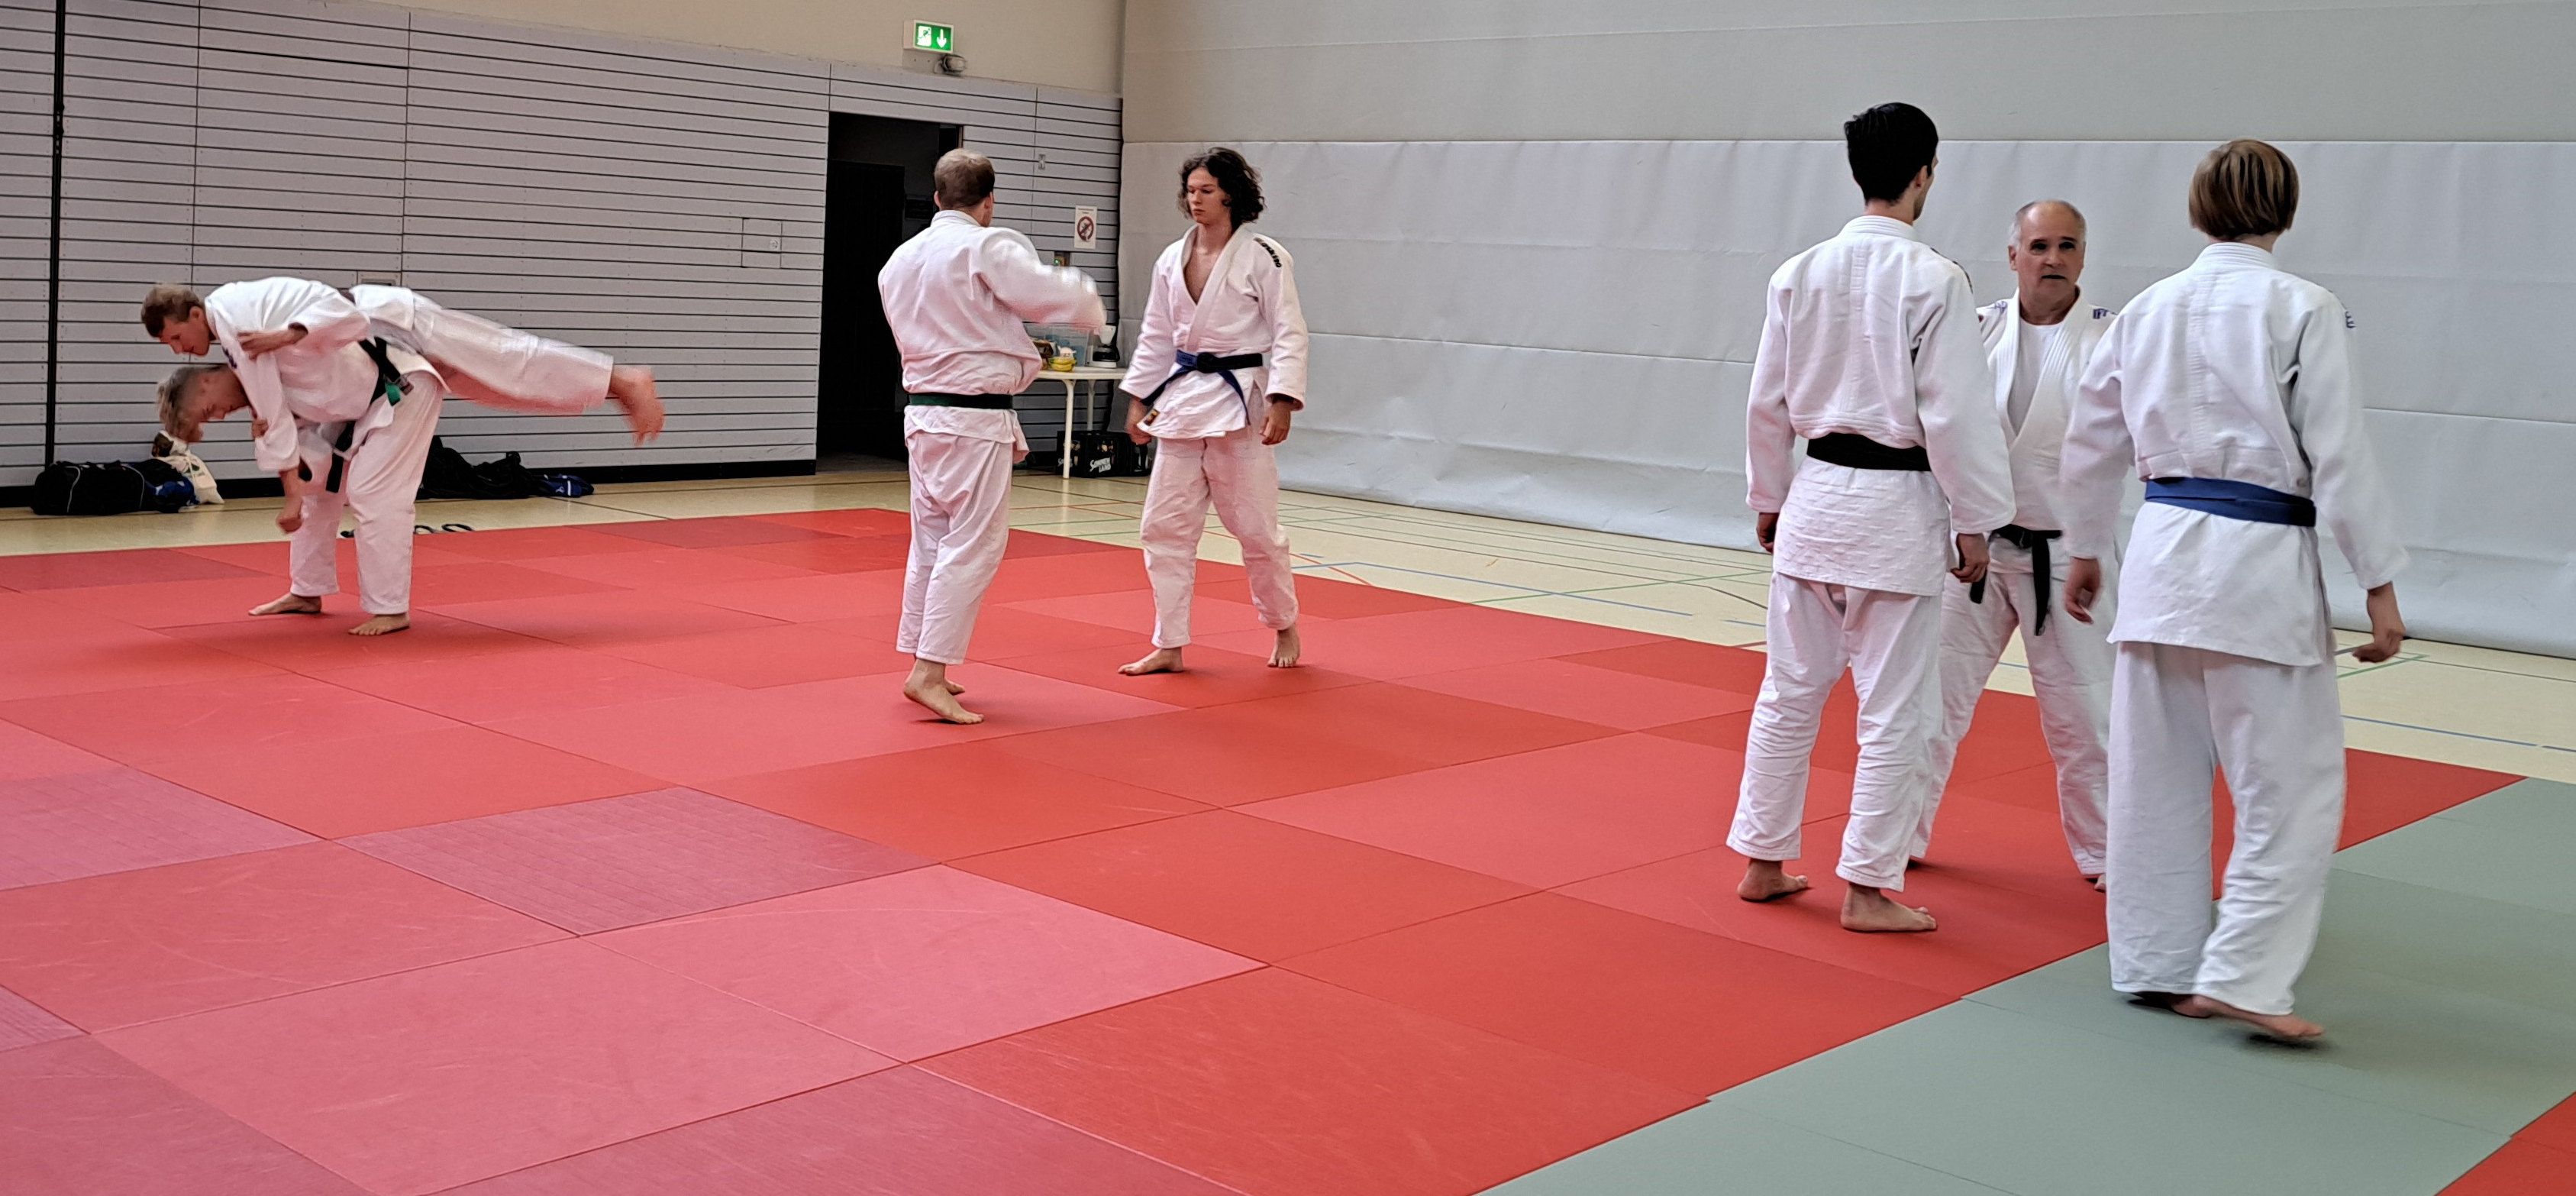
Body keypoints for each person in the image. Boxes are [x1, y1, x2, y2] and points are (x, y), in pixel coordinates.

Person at [2060, 140, 2407, 1039]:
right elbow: (2338, 452)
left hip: (2160, 561)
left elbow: (2089, 440)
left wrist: (2086, 547)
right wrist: (2377, 582)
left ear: (2195, 209)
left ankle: (2153, 962)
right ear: (2284, 212)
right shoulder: (2301, 307)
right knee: (2288, 788)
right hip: (2256, 571)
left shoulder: (2145, 308)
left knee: (2152, 778)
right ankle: (2247, 975)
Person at [1729, 103, 2015, 933]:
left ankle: (1762, 860)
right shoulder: (1935, 279)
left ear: (1857, 170)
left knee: (1789, 693)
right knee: (1895, 710)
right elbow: (1956, 415)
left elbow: (1766, 402)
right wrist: (1973, 520)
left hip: (1815, 498)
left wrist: (1769, 497)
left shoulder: (1798, 272)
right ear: (1925, 173)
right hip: (1896, 513)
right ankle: (1865, 886)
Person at [1910, 200, 2119, 887]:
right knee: (1931, 702)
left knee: (2085, 714)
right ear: (2013, 256)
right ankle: (1894, 834)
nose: (2052, 259)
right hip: (1973, 550)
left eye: (2067, 246)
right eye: (2039, 246)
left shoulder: (2114, 337)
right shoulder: (1975, 329)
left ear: (2083, 255)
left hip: (2069, 556)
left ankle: (2107, 851)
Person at [878, 149, 1106, 723]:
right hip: (972, 421)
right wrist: (1091, 311)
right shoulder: (984, 246)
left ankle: (925, 658)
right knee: (972, 543)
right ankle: (929, 671)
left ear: (937, 198)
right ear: (988, 203)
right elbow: (1055, 295)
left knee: (932, 539)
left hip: (924, 417)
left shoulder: (900, 259)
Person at [1116, 147, 1310, 675]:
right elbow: (1156, 335)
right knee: (1163, 529)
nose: (1195, 200)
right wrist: (1140, 399)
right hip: (1182, 402)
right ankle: (1169, 643)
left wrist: (1282, 400)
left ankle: (1283, 623)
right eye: (1191, 191)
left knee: (1256, 530)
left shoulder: (1265, 256)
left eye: (1206, 190)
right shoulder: (1169, 258)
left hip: (1239, 403)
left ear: (1231, 195)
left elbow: (1289, 331)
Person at [142, 280, 664, 444]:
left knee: (505, 358)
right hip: (383, 347)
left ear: (194, 314)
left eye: (175, 336)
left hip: (391, 320)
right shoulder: (232, 334)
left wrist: (273, 428)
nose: (177, 348)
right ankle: (609, 390)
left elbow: (272, 388)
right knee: (500, 387)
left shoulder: (231, 319)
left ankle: (623, 378)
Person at [153, 351, 446, 636]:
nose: (220, 415)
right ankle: (307, 591)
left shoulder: (263, 355)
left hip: (400, 384)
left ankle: (391, 608)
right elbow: (311, 460)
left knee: (374, 494)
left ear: (205, 381)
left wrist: (279, 451)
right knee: (315, 493)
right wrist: (270, 440)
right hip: (361, 405)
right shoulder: (259, 393)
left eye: (208, 410)